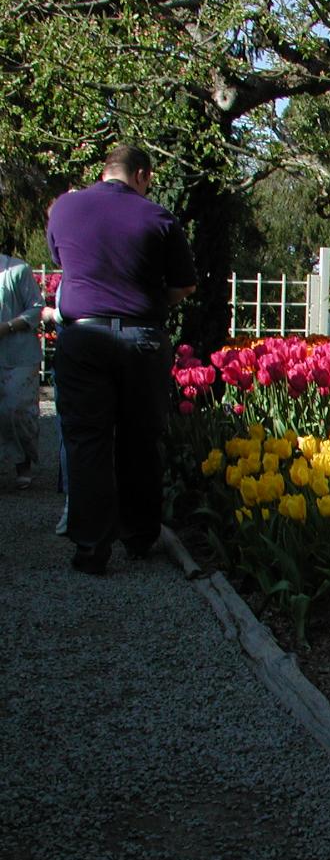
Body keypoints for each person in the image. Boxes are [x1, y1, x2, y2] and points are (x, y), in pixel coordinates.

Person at [46, 145, 198, 574]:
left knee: (86, 439)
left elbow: (65, 261)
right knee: (140, 438)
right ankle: (139, 535)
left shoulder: (65, 210)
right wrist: (151, 301)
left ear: (104, 171)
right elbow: (184, 285)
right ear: (142, 175)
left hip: (83, 334)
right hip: (141, 338)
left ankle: (91, 545)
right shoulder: (157, 217)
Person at [0, 245, 45, 490]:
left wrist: (7, 327)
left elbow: (37, 309)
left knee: (16, 409)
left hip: (18, 353)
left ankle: (24, 462)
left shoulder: (16, 269)